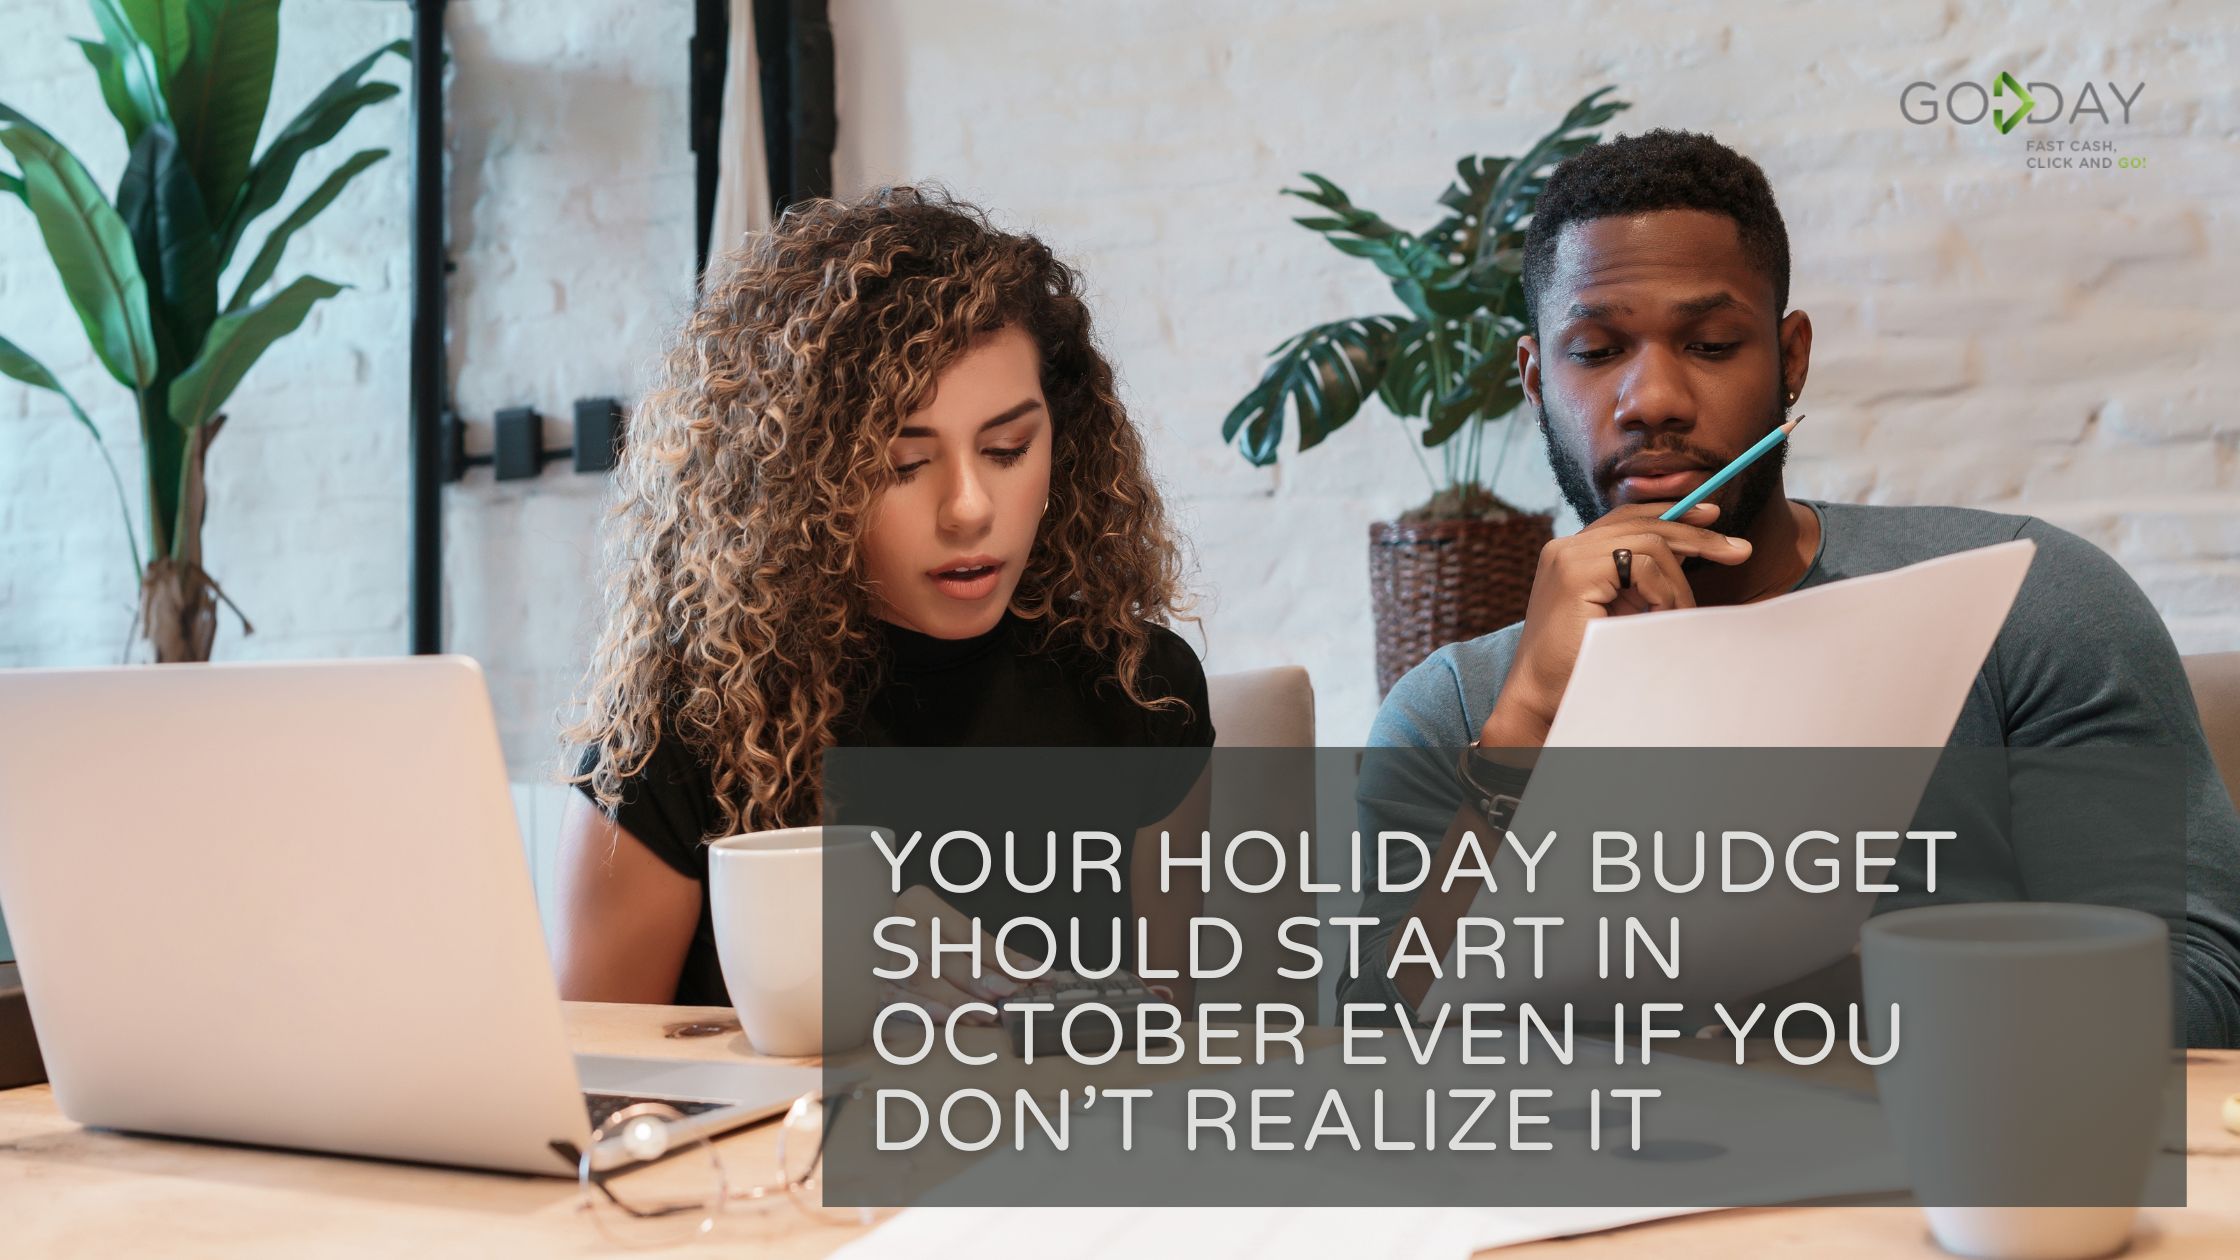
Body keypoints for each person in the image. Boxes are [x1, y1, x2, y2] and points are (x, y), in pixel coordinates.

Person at [1348, 129, 2240, 1046]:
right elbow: (1381, 1057)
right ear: (1535, 379)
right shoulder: (1451, 711)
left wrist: (1794, 993)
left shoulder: (2030, 601)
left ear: (1791, 359)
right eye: (1597, 350)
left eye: (1708, 342)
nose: (1652, 397)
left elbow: (2197, 995)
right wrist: (1526, 729)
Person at [556, 187, 1213, 1010]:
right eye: (903, 464)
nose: (969, 507)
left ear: (1064, 440)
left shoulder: (1139, 686)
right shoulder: (683, 729)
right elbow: (600, 1088)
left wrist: (1042, 1013)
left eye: (1008, 449)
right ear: (801, 483)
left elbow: (1169, 1044)